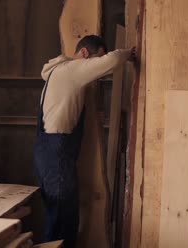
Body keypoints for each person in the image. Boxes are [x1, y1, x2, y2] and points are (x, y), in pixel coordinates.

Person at [33, 35, 135, 247]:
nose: (94, 67)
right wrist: (130, 53)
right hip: (56, 152)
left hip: (49, 152)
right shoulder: (72, 70)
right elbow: (113, 60)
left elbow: (105, 68)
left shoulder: (58, 72)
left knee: (60, 215)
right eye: (94, 59)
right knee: (62, 218)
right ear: (86, 54)